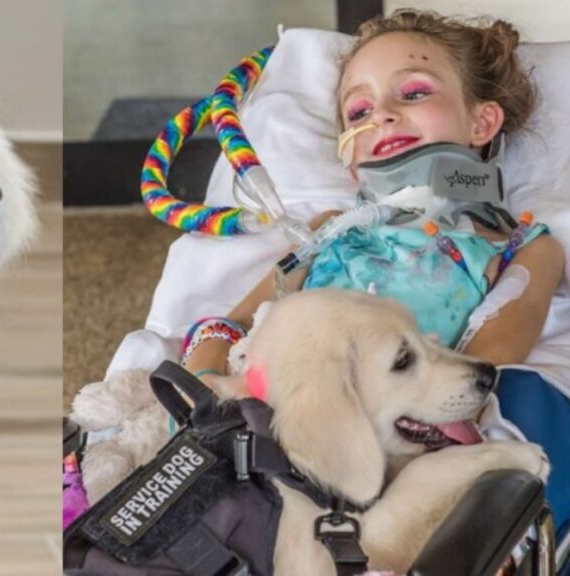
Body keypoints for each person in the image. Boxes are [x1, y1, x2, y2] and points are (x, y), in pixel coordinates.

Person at [182, 10, 569, 533]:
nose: (380, 115)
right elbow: (230, 326)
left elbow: (490, 358)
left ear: (482, 122)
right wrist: (205, 390)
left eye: (412, 94)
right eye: (358, 109)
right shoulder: (329, 231)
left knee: (530, 400)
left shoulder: (523, 247)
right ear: (348, 160)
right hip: (284, 422)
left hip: (413, 438)